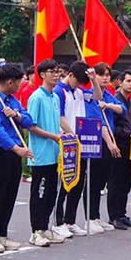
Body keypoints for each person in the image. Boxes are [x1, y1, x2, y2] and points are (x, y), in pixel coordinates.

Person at [0, 64, 33, 254]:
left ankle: (2, 233)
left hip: (13, 152)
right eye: (19, 81)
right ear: (10, 82)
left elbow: (28, 120)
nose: (21, 84)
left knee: (10, 193)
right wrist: (15, 148)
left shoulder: (12, 101)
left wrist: (16, 114)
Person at [27, 60, 71, 246]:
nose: (56, 75)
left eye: (57, 72)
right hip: (40, 154)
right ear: (42, 74)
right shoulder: (36, 97)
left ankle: (46, 228)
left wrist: (62, 134)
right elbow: (31, 125)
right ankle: (36, 231)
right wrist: (53, 136)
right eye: (51, 72)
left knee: (52, 193)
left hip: (54, 153)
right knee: (40, 194)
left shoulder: (54, 97)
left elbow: (55, 124)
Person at [51, 62, 91, 236]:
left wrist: (93, 79)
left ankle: (71, 220)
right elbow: (60, 118)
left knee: (77, 183)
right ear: (71, 75)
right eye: (78, 81)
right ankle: (58, 221)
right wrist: (73, 134)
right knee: (63, 184)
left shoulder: (79, 92)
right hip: (66, 142)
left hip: (79, 145)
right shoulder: (60, 92)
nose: (80, 85)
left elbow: (97, 96)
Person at [82, 64, 123, 233]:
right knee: (92, 181)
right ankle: (89, 218)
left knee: (101, 183)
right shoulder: (89, 95)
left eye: (107, 75)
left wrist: (109, 105)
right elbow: (99, 121)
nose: (105, 78)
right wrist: (109, 142)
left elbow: (122, 108)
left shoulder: (108, 95)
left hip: (108, 141)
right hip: (95, 141)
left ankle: (96, 216)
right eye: (101, 75)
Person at [107, 69, 131, 229]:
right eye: (128, 81)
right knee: (116, 182)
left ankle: (122, 214)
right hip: (119, 146)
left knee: (127, 181)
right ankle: (113, 216)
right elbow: (112, 128)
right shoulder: (115, 102)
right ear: (120, 82)